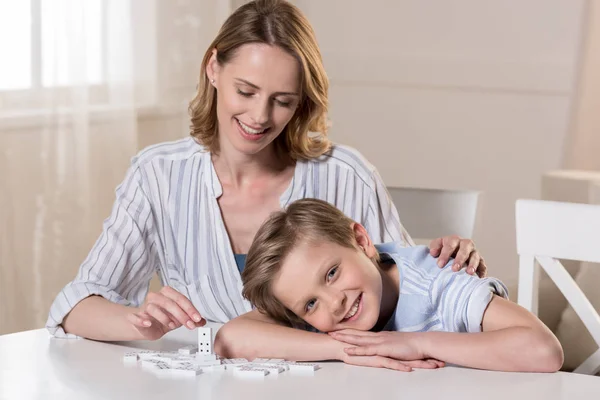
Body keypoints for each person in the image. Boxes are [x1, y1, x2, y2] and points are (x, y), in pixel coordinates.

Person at [47, 0, 486, 359]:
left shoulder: (345, 175)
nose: (259, 117)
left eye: (282, 101)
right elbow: (75, 306)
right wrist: (140, 321)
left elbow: (409, 290)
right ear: (213, 69)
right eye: (246, 91)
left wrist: (450, 260)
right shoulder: (157, 176)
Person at [220, 198, 564, 373]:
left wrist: (417, 343)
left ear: (361, 240)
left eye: (332, 274)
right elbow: (230, 338)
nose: (333, 303)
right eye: (310, 304)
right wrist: (345, 350)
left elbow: (544, 351)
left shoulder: (435, 281)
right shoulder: (320, 314)